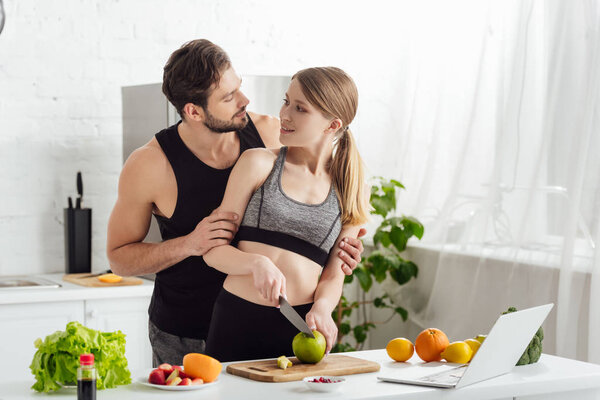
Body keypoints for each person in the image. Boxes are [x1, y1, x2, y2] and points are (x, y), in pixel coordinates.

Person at [106, 39, 366, 367]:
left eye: (239, 87)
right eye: (229, 97)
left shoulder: (274, 133)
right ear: (194, 111)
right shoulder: (149, 165)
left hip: (278, 320)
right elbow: (119, 260)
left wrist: (342, 251)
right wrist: (190, 244)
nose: (245, 100)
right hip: (186, 328)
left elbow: (315, 211)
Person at [203, 66, 370, 362]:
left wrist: (323, 308)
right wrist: (255, 263)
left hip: (301, 331)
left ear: (332, 125)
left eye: (300, 108)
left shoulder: (352, 187)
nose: (285, 114)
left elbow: (334, 273)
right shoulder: (258, 163)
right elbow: (213, 252)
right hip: (235, 321)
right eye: (286, 101)